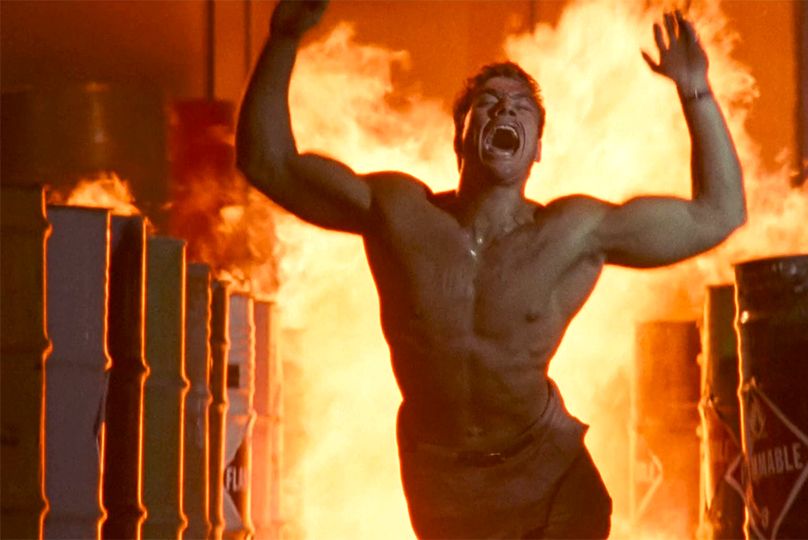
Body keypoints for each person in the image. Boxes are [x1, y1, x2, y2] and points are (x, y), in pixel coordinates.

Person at [236, 0, 745, 538]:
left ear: (537, 149)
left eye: (522, 107)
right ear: (459, 135)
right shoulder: (401, 214)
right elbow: (268, 162)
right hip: (443, 480)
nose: (505, 110)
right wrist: (282, 39)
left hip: (547, 469)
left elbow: (719, 213)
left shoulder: (571, 232)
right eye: (488, 103)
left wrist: (696, 91)